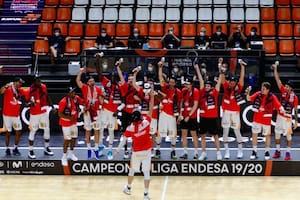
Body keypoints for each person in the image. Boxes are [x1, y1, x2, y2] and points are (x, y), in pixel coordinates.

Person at [115, 87, 154, 200]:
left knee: (132, 170)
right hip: (147, 151)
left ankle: (128, 187)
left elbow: (124, 140)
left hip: (136, 153)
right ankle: (146, 194)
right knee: (146, 172)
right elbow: (151, 110)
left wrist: (118, 150)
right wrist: (151, 97)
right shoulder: (146, 123)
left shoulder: (130, 128)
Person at [245, 82, 285, 160]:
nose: (261, 90)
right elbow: (249, 98)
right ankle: (254, 151)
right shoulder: (258, 94)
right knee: (254, 135)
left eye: (263, 89)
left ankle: (267, 152)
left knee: (267, 136)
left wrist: (282, 109)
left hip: (266, 120)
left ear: (268, 90)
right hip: (257, 119)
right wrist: (248, 93)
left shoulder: (272, 97)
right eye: (261, 88)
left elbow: (278, 105)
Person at [194, 64, 222, 161]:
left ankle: (218, 153)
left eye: (208, 86)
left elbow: (218, 84)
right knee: (202, 136)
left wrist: (220, 71)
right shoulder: (201, 92)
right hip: (203, 117)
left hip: (212, 117)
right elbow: (201, 80)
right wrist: (197, 69)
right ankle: (204, 153)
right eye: (205, 86)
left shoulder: (214, 93)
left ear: (211, 87)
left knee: (215, 136)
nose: (206, 87)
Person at [156, 59, 182, 159]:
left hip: (172, 115)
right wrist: (160, 68)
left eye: (172, 82)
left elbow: (180, 104)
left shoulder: (178, 92)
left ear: (175, 83)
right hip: (163, 114)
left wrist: (180, 114)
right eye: (170, 81)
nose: (171, 83)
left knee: (173, 134)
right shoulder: (165, 88)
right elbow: (160, 79)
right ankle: (158, 151)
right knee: (160, 133)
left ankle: (173, 151)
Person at [220, 59, 246, 159]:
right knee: (225, 132)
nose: (232, 83)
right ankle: (227, 152)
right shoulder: (226, 85)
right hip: (226, 112)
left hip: (235, 113)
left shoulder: (239, 87)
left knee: (237, 131)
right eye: (231, 82)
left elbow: (242, 78)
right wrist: (221, 67)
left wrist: (242, 67)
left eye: (233, 82)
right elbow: (222, 79)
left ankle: (240, 151)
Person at [272, 63, 298, 160]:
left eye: (287, 87)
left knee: (288, 136)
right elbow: (277, 80)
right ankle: (278, 151)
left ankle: (288, 153)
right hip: (279, 116)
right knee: (277, 133)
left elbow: (295, 110)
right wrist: (275, 69)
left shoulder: (294, 97)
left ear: (291, 88)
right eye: (285, 86)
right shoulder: (283, 91)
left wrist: (296, 121)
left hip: (287, 118)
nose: (285, 87)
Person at [76, 69, 104, 159]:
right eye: (90, 81)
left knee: (96, 131)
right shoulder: (84, 87)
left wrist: (103, 98)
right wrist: (80, 72)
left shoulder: (98, 89)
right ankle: (88, 149)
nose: (92, 82)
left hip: (96, 112)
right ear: (87, 83)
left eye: (93, 81)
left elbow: (101, 101)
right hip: (87, 111)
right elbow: (77, 81)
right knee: (88, 130)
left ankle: (96, 149)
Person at [27, 76, 56, 159]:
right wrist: (30, 104)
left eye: (40, 81)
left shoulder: (43, 86)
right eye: (38, 81)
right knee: (33, 131)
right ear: (34, 82)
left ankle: (46, 148)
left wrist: (52, 106)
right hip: (35, 114)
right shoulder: (30, 90)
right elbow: (27, 102)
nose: (40, 82)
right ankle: (30, 150)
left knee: (47, 130)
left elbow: (47, 96)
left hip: (43, 112)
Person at [0, 77, 27, 156]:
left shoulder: (20, 90)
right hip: (7, 115)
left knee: (18, 132)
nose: (21, 84)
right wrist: (6, 86)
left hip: (16, 116)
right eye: (20, 83)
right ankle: (7, 149)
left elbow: (27, 94)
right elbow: (1, 91)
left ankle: (15, 148)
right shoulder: (8, 89)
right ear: (15, 82)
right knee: (8, 133)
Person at [58, 87, 84, 166]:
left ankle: (71, 154)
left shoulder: (76, 98)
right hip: (66, 123)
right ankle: (64, 157)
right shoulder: (63, 102)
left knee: (73, 139)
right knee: (67, 140)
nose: (74, 93)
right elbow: (60, 114)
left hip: (73, 123)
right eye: (72, 92)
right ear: (68, 94)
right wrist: (69, 118)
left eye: (74, 92)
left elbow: (84, 102)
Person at [178, 76, 200, 159]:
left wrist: (189, 116)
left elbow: (195, 105)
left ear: (191, 85)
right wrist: (180, 114)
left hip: (192, 116)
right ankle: (185, 152)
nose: (186, 86)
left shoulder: (195, 91)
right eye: (185, 84)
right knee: (183, 134)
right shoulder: (183, 91)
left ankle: (196, 152)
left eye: (187, 84)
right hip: (184, 116)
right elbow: (181, 103)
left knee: (193, 134)